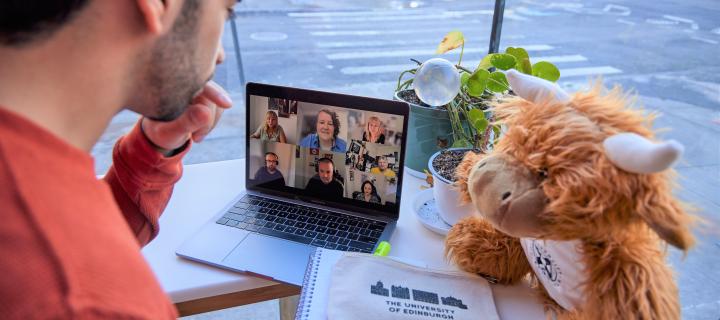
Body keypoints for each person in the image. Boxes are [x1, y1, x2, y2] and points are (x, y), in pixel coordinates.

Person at [0, 0, 236, 318]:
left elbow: (70, 244)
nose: (219, 53)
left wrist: (151, 153)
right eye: (226, 10)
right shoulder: (86, 302)